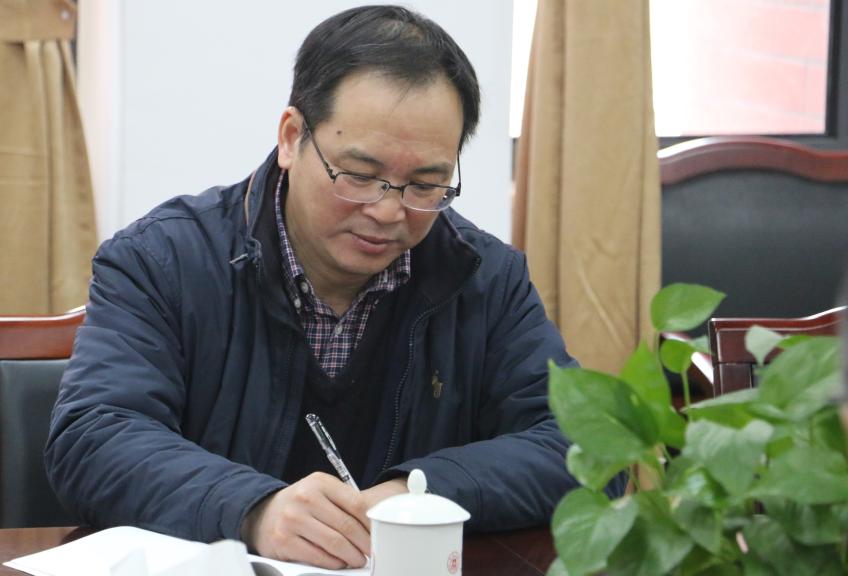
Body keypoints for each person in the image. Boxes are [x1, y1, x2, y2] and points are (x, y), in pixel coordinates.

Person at [46, 5, 620, 570]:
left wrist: (419, 493)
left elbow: (592, 450)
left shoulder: (484, 278)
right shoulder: (162, 260)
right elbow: (93, 438)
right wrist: (254, 510)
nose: (388, 211)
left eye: (425, 185)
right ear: (292, 137)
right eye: (361, 175)